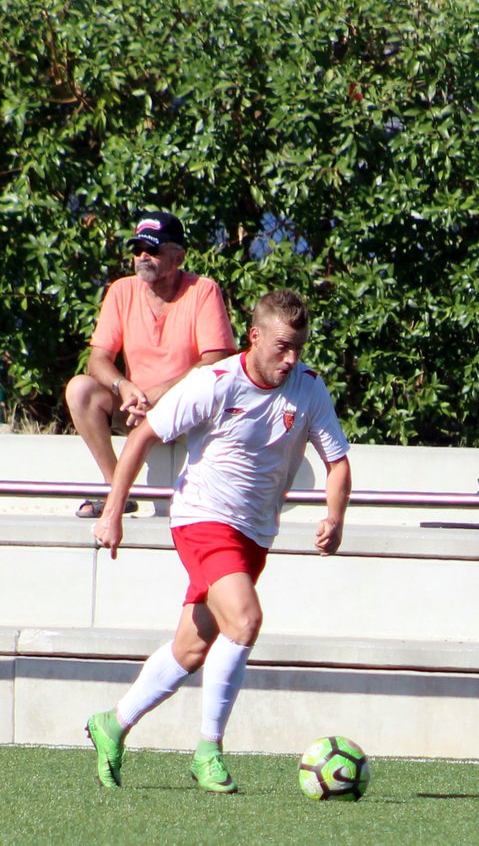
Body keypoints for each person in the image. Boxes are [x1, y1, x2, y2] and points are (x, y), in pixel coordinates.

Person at [86, 289, 352, 793]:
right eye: (282, 347)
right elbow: (142, 436)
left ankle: (112, 724)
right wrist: (113, 513)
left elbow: (337, 462)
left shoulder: (309, 388)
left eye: (298, 347)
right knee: (245, 620)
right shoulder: (215, 382)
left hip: (254, 533)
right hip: (202, 519)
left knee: (191, 649)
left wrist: (334, 517)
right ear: (254, 337)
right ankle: (208, 751)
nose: (290, 359)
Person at [66, 212, 236, 517]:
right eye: (137, 249)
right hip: (135, 408)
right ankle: (117, 490)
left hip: (188, 410)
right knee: (80, 389)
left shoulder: (203, 290)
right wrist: (124, 386)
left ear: (179, 257)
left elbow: (216, 361)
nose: (143, 256)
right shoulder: (121, 291)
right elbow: (97, 359)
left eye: (153, 249)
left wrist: (159, 395)